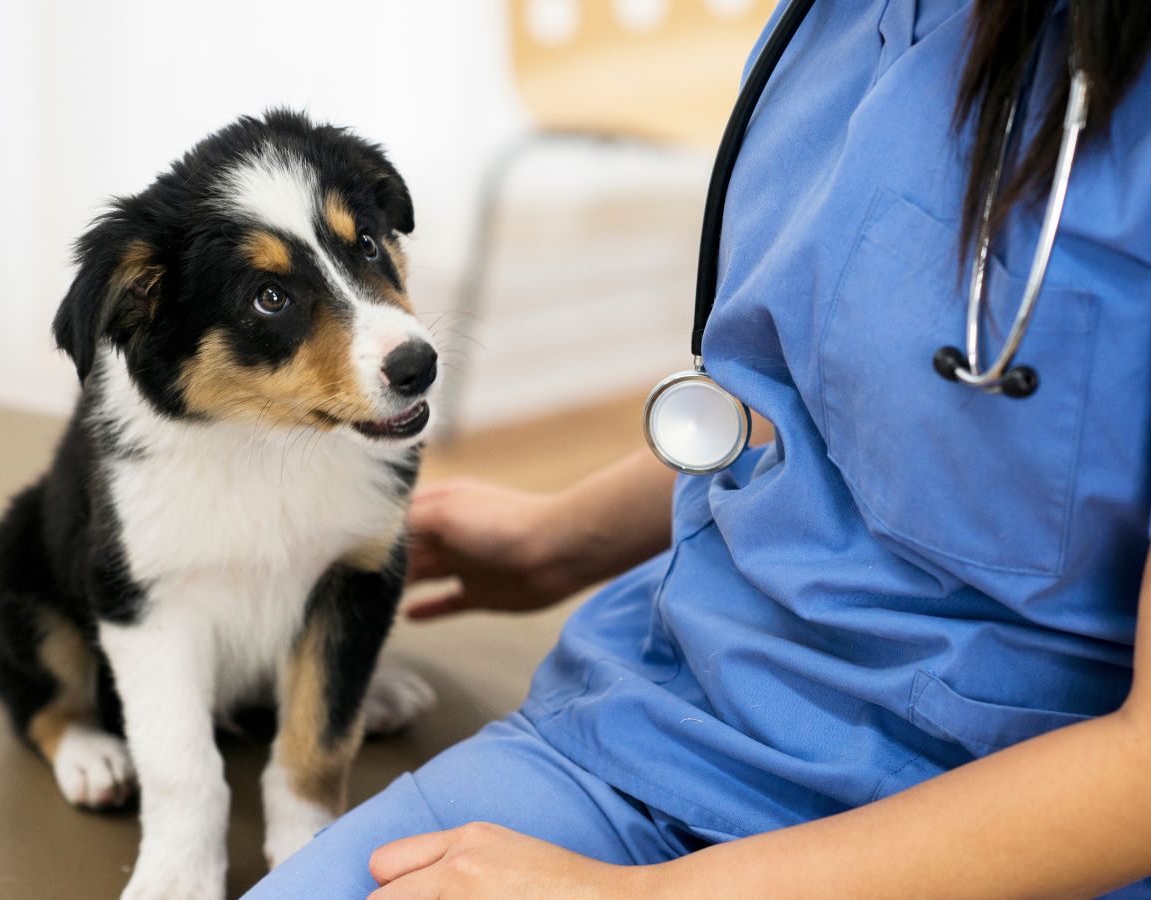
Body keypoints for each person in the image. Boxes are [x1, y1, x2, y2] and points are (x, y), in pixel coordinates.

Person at [249, 1, 1151, 896]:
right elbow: (820, 397)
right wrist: (565, 537)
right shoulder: (840, 22)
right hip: (659, 726)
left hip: (983, 831)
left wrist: (625, 898)